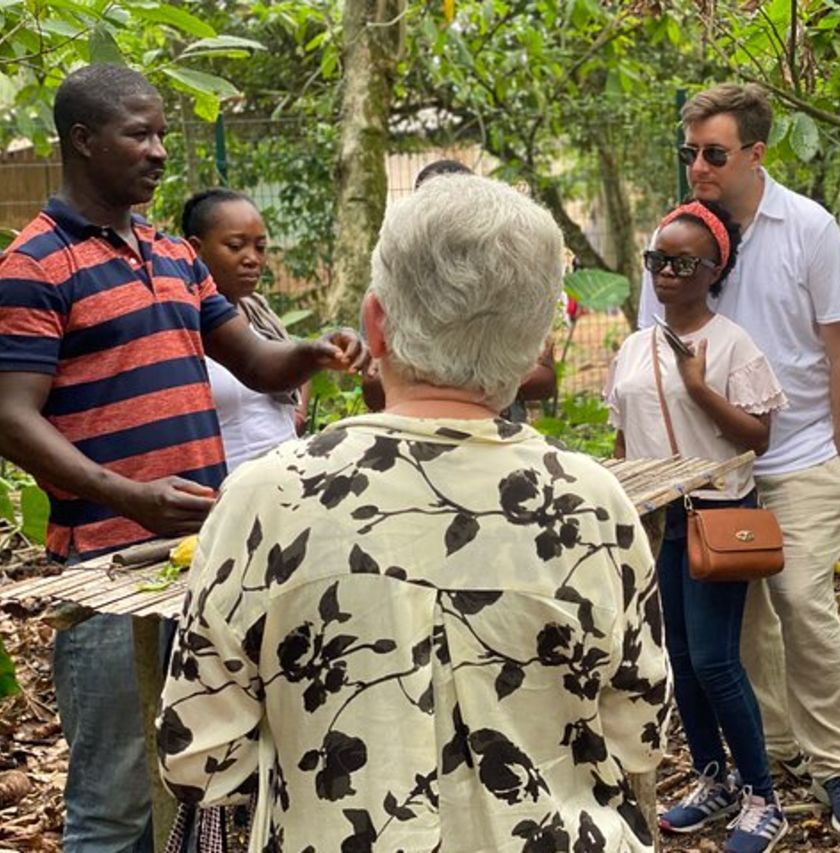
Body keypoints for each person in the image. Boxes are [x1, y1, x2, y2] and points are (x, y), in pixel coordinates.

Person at [155, 173, 669, 852]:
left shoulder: (266, 497)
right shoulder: (590, 503)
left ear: (376, 320)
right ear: (536, 337)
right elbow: (640, 735)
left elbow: (198, 756)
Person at [0, 64, 366, 852]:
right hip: (107, 574)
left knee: (198, 783)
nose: (160, 150)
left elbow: (258, 363)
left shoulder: (172, 254)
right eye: (141, 133)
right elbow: (10, 417)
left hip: (199, 562)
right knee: (115, 805)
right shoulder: (34, 267)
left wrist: (315, 350)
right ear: (84, 140)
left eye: (163, 132)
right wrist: (125, 494)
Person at [636, 83, 840, 836]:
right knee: (736, 627)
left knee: (802, 600)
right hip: (713, 470)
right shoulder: (676, 236)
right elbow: (655, 351)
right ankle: (767, 760)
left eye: (714, 153)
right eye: (690, 153)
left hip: (801, 451)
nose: (699, 168)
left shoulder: (808, 227)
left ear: (755, 153)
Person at [607, 199, 787, 851]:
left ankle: (763, 796)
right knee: (679, 659)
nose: (666, 273)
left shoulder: (733, 345)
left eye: (683, 262)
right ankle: (713, 781)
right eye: (657, 260)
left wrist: (699, 384)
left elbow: (759, 437)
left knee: (715, 658)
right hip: (657, 523)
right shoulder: (632, 348)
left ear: (714, 269)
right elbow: (626, 440)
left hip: (717, 517)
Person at [361, 158, 557, 417]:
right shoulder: (393, 282)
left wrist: (433, 377)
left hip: (501, 427)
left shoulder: (512, 274)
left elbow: (546, 380)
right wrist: (489, 375)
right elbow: (371, 387)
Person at [182, 189, 307, 471]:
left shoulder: (257, 310)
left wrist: (298, 412)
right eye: (236, 246)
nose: (252, 259)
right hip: (225, 493)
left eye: (260, 247)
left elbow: (290, 355)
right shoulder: (182, 326)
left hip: (286, 481)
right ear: (195, 250)